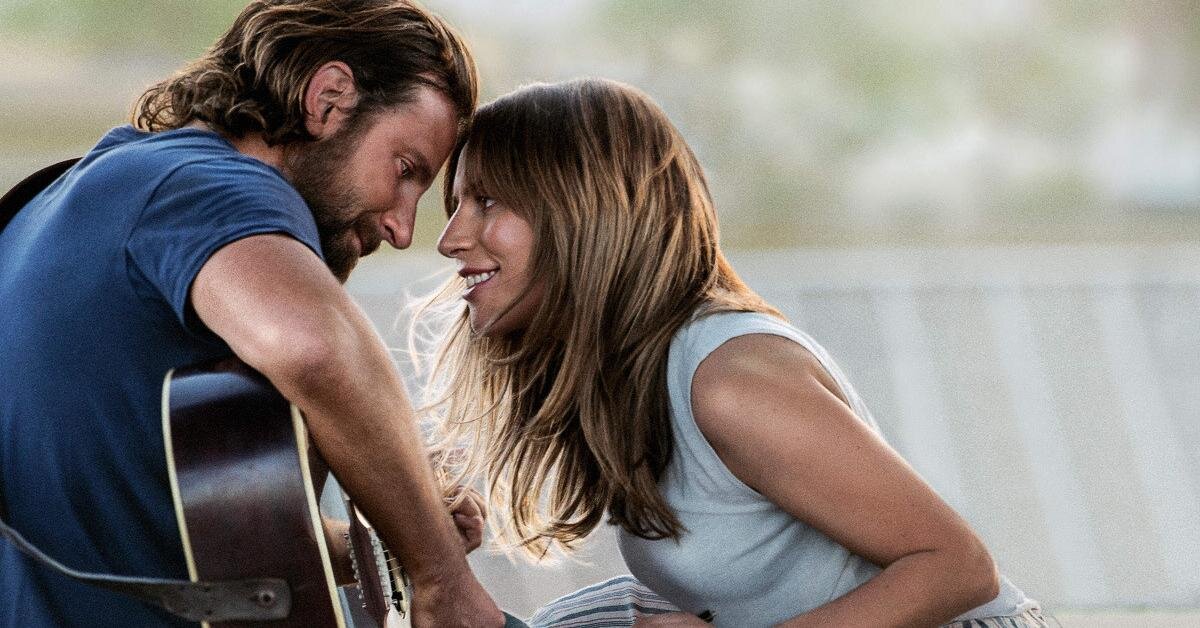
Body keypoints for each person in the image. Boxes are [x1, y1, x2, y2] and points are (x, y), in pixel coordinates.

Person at [419, 77, 1049, 627]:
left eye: (487, 202)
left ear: (584, 214)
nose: (450, 239)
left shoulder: (730, 380)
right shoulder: (635, 376)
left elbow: (959, 567)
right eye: (456, 206)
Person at [0, 1, 506, 626]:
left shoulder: (80, 193)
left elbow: (198, 546)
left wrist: (392, 528)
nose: (402, 229)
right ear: (329, 100)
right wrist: (442, 577)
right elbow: (316, 347)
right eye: (405, 171)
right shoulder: (212, 185)